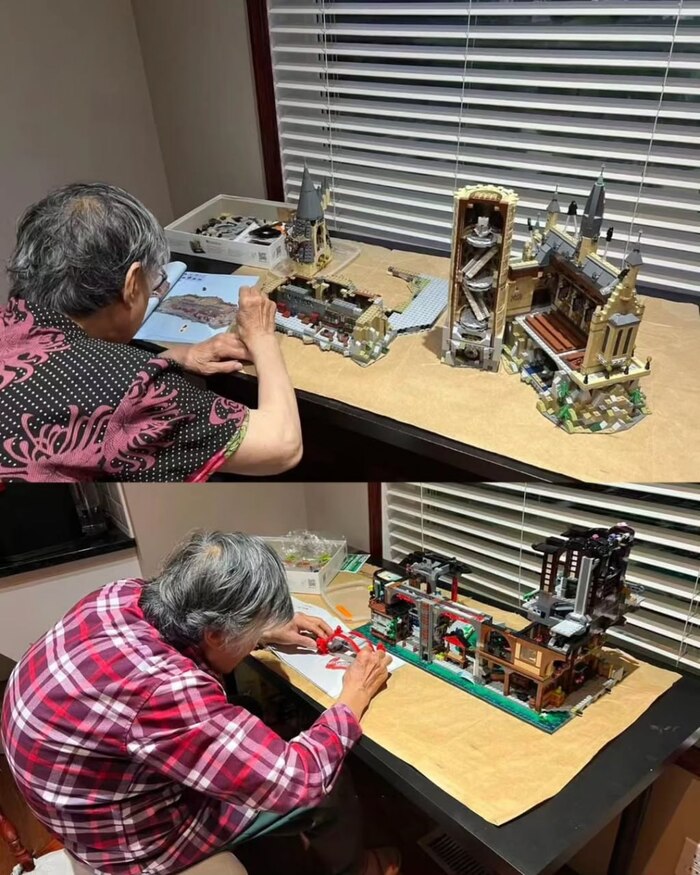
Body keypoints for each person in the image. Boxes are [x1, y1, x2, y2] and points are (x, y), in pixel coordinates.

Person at [1, 531, 399, 875]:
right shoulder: (168, 689)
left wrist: (262, 631)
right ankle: (359, 869)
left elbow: (196, 636)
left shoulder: (121, 594)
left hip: (73, 796)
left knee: (247, 709)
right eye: (250, 629)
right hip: (125, 840)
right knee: (329, 785)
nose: (255, 636)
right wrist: (354, 695)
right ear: (216, 633)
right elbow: (299, 780)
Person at [0, 183, 301, 481]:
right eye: (153, 283)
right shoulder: (131, 389)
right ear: (132, 285)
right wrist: (262, 337)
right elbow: (282, 445)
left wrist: (172, 359)